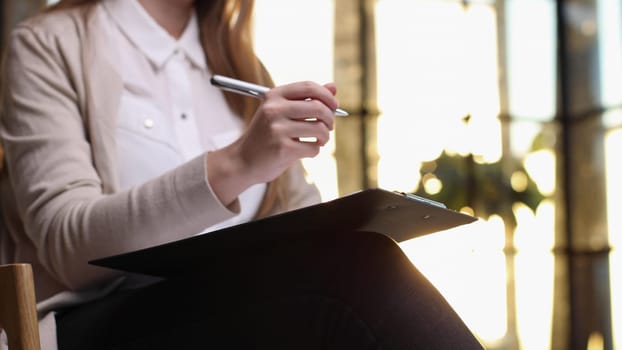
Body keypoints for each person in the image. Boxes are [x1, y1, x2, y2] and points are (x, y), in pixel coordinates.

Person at [0, 0, 484, 349]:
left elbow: (301, 223)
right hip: (97, 325)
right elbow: (66, 246)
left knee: (359, 257)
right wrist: (237, 165)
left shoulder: (240, 66)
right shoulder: (50, 44)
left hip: (234, 314)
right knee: (359, 271)